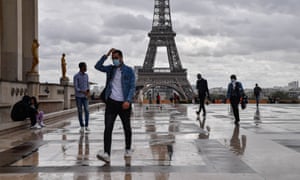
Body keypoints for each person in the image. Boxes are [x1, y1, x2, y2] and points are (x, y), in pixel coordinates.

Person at [95, 48, 135, 163]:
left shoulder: (129, 70)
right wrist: (106, 54)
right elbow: (97, 66)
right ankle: (107, 153)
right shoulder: (110, 69)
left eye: (116, 58)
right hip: (111, 102)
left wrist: (128, 100)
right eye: (113, 59)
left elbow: (132, 87)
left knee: (127, 127)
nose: (114, 60)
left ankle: (128, 148)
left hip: (124, 104)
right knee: (108, 128)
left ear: (121, 58)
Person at [73, 62, 90, 133]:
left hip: (85, 97)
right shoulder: (76, 76)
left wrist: (88, 91)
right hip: (79, 97)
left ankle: (86, 126)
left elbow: (87, 84)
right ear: (81, 67)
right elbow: (76, 87)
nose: (86, 68)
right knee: (80, 111)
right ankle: (82, 126)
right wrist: (83, 91)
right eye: (85, 66)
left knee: (87, 110)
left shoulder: (86, 76)